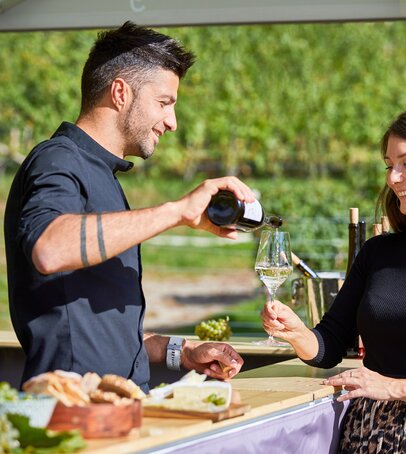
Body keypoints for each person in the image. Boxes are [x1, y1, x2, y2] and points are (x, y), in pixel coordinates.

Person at [4, 21, 252, 392]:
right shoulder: (57, 160)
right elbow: (49, 248)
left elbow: (104, 332)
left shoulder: (104, 175)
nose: (172, 122)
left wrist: (181, 351)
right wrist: (176, 211)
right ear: (120, 92)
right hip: (76, 415)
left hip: (120, 407)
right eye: (164, 102)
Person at [262, 105, 406, 452]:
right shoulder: (376, 253)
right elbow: (330, 345)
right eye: (389, 165)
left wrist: (392, 387)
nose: (393, 178)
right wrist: (297, 333)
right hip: (366, 434)